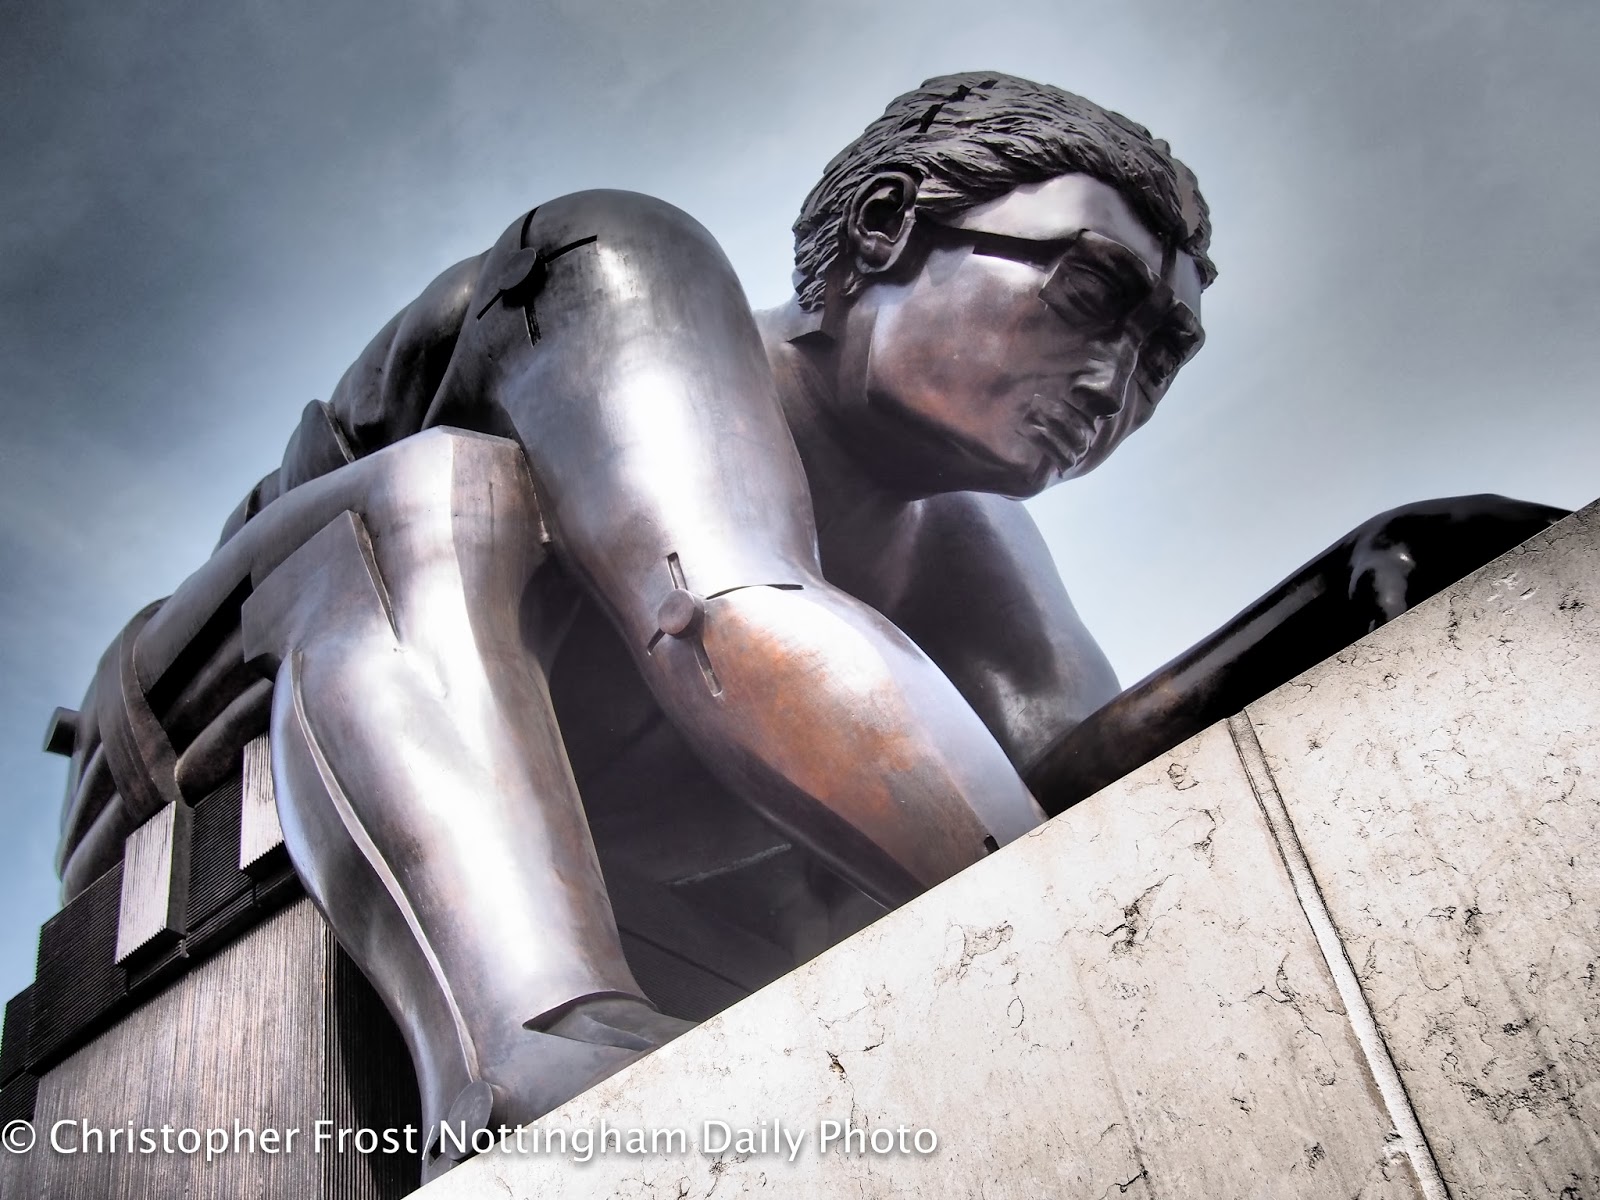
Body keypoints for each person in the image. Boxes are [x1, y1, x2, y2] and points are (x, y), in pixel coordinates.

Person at [55, 71, 1216, 1177]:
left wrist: (1331, 629)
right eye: (1085, 296)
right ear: (882, 224)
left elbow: (1073, 791)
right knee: (446, 497)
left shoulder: (960, 534)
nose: (1113, 385)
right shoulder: (616, 268)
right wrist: (1117, 954)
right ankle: (532, 1045)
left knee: (896, 820)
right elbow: (718, 609)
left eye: (1160, 354)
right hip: (202, 743)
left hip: (599, 848)